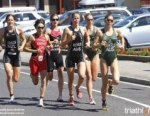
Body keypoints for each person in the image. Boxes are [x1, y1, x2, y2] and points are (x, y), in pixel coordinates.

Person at [93, 13, 124, 110]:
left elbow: (122, 37)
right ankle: (104, 101)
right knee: (104, 82)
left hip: (113, 57)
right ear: (104, 20)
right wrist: (99, 45)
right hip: (103, 58)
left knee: (117, 80)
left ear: (113, 21)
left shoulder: (116, 31)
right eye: (107, 20)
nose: (109, 22)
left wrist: (122, 45)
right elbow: (93, 46)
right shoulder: (100, 32)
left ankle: (111, 84)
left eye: (111, 20)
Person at [61, 12, 90, 106]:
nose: (76, 20)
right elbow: (61, 44)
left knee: (82, 75)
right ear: (71, 19)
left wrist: (87, 43)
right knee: (71, 79)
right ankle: (71, 96)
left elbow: (87, 38)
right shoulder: (67, 30)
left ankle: (78, 87)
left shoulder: (83, 29)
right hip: (70, 57)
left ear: (80, 19)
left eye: (78, 18)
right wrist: (69, 39)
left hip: (80, 56)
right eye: (74, 18)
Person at [24, 19, 51, 107]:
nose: (40, 29)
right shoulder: (32, 37)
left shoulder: (46, 36)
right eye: (39, 27)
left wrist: (50, 46)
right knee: (35, 82)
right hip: (34, 60)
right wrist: (35, 50)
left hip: (43, 60)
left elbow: (49, 44)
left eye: (42, 27)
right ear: (35, 28)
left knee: (43, 80)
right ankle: (32, 75)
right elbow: (25, 48)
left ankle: (41, 99)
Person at [0, 14, 26, 103]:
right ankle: (11, 95)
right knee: (9, 74)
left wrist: (22, 46)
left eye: (11, 20)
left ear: (14, 21)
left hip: (16, 56)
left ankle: (12, 80)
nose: (10, 21)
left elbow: (24, 39)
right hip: (7, 55)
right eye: (8, 20)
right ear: (6, 21)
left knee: (16, 79)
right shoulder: (3, 30)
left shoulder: (18, 30)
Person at [44, 13, 64, 102]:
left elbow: (62, 42)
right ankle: (47, 78)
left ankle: (60, 95)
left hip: (58, 54)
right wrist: (52, 43)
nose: (55, 21)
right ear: (50, 21)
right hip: (50, 55)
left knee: (61, 73)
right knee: (50, 76)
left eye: (56, 19)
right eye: (53, 20)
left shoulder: (61, 31)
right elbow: (44, 42)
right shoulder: (48, 30)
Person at [84, 13, 102, 105]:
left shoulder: (97, 30)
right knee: (89, 76)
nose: (90, 21)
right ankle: (91, 97)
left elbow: (104, 40)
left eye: (91, 19)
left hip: (95, 53)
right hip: (86, 54)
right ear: (85, 20)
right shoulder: (83, 30)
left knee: (94, 77)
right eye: (88, 19)